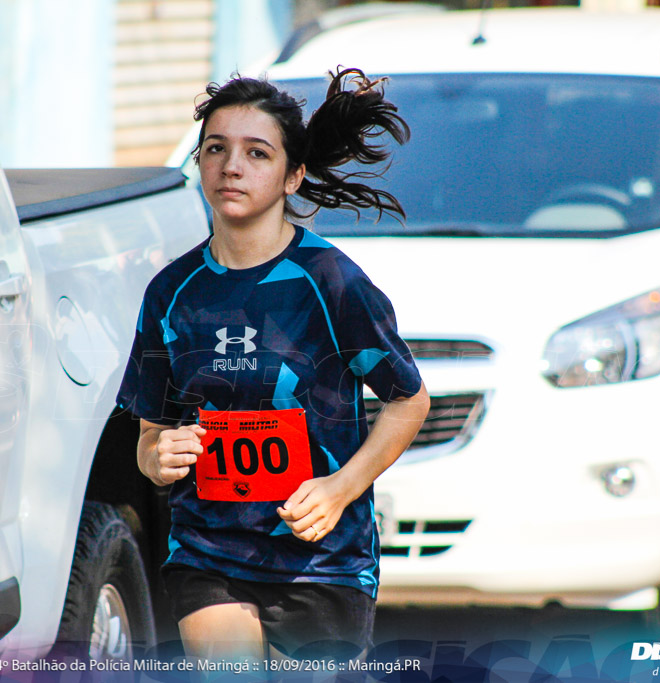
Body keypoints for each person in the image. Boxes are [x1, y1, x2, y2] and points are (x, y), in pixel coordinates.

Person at [116, 68, 430, 663]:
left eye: (256, 153)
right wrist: (158, 457)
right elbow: (149, 438)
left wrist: (340, 490)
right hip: (209, 549)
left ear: (293, 176)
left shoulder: (331, 281)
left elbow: (408, 401)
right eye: (216, 149)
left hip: (321, 560)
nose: (232, 166)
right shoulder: (171, 291)